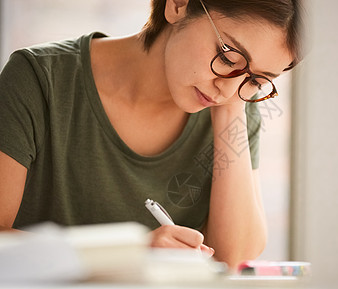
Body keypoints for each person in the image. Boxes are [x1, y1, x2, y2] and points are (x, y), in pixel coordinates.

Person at [0, 0, 301, 268]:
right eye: (228, 59)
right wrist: (133, 250)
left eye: (257, 81)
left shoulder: (233, 104)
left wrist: (230, 111)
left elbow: (232, 259)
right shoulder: (39, 78)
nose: (229, 89)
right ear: (178, 5)